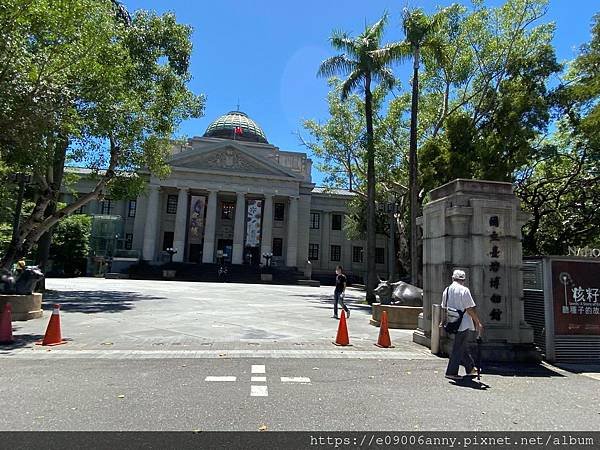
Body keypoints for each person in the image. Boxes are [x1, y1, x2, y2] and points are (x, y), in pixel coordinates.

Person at [440, 269, 484, 381]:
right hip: (463, 322)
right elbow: (469, 308)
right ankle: (451, 372)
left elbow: (444, 307)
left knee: (462, 345)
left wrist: (443, 321)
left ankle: (471, 369)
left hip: (452, 321)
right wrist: (477, 322)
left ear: (452, 278)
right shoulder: (464, 290)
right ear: (463, 280)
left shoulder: (447, 290)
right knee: (458, 347)